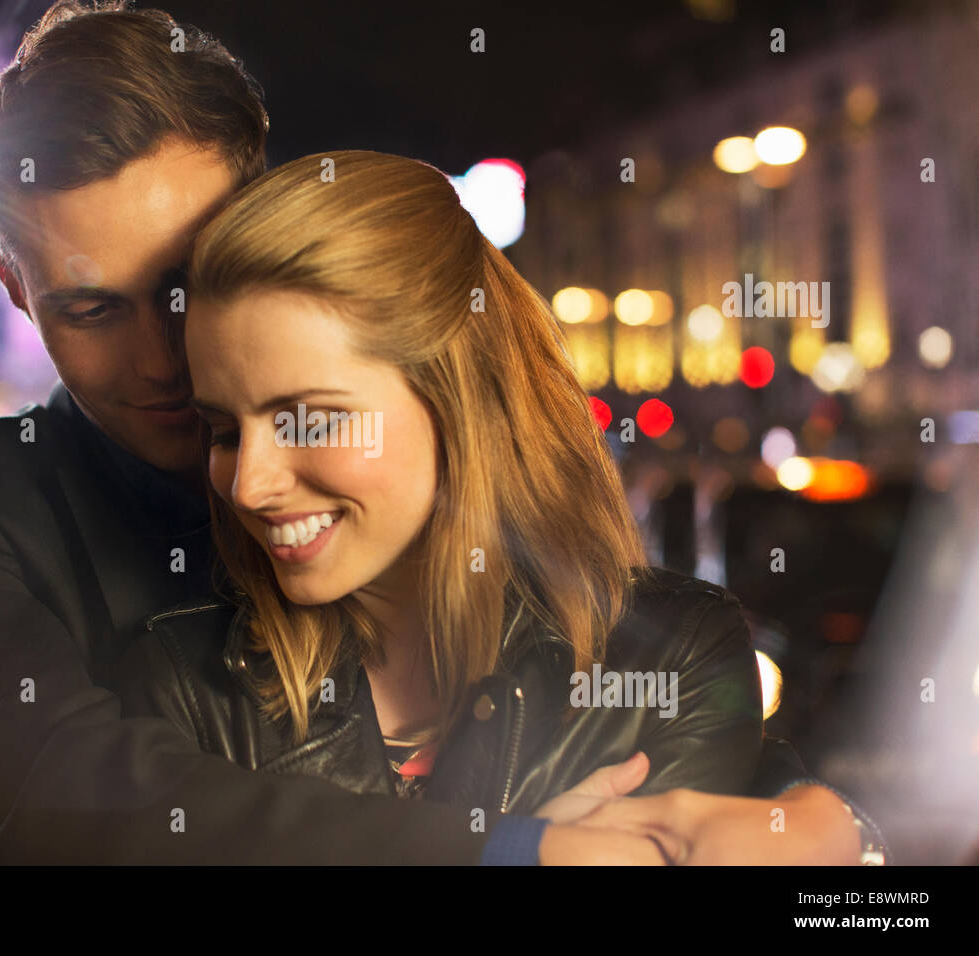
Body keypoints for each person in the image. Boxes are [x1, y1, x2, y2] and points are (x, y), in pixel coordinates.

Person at [0, 0, 879, 865]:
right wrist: (516, 849)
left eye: (184, 280)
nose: (165, 357)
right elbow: (44, 791)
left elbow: (661, 728)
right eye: (91, 309)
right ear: (16, 293)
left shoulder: (618, 613)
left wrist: (809, 821)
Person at [109, 149, 890, 865]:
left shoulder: (667, 658)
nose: (248, 484)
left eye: (307, 420)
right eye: (221, 430)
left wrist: (847, 836)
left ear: (458, 401)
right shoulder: (177, 687)